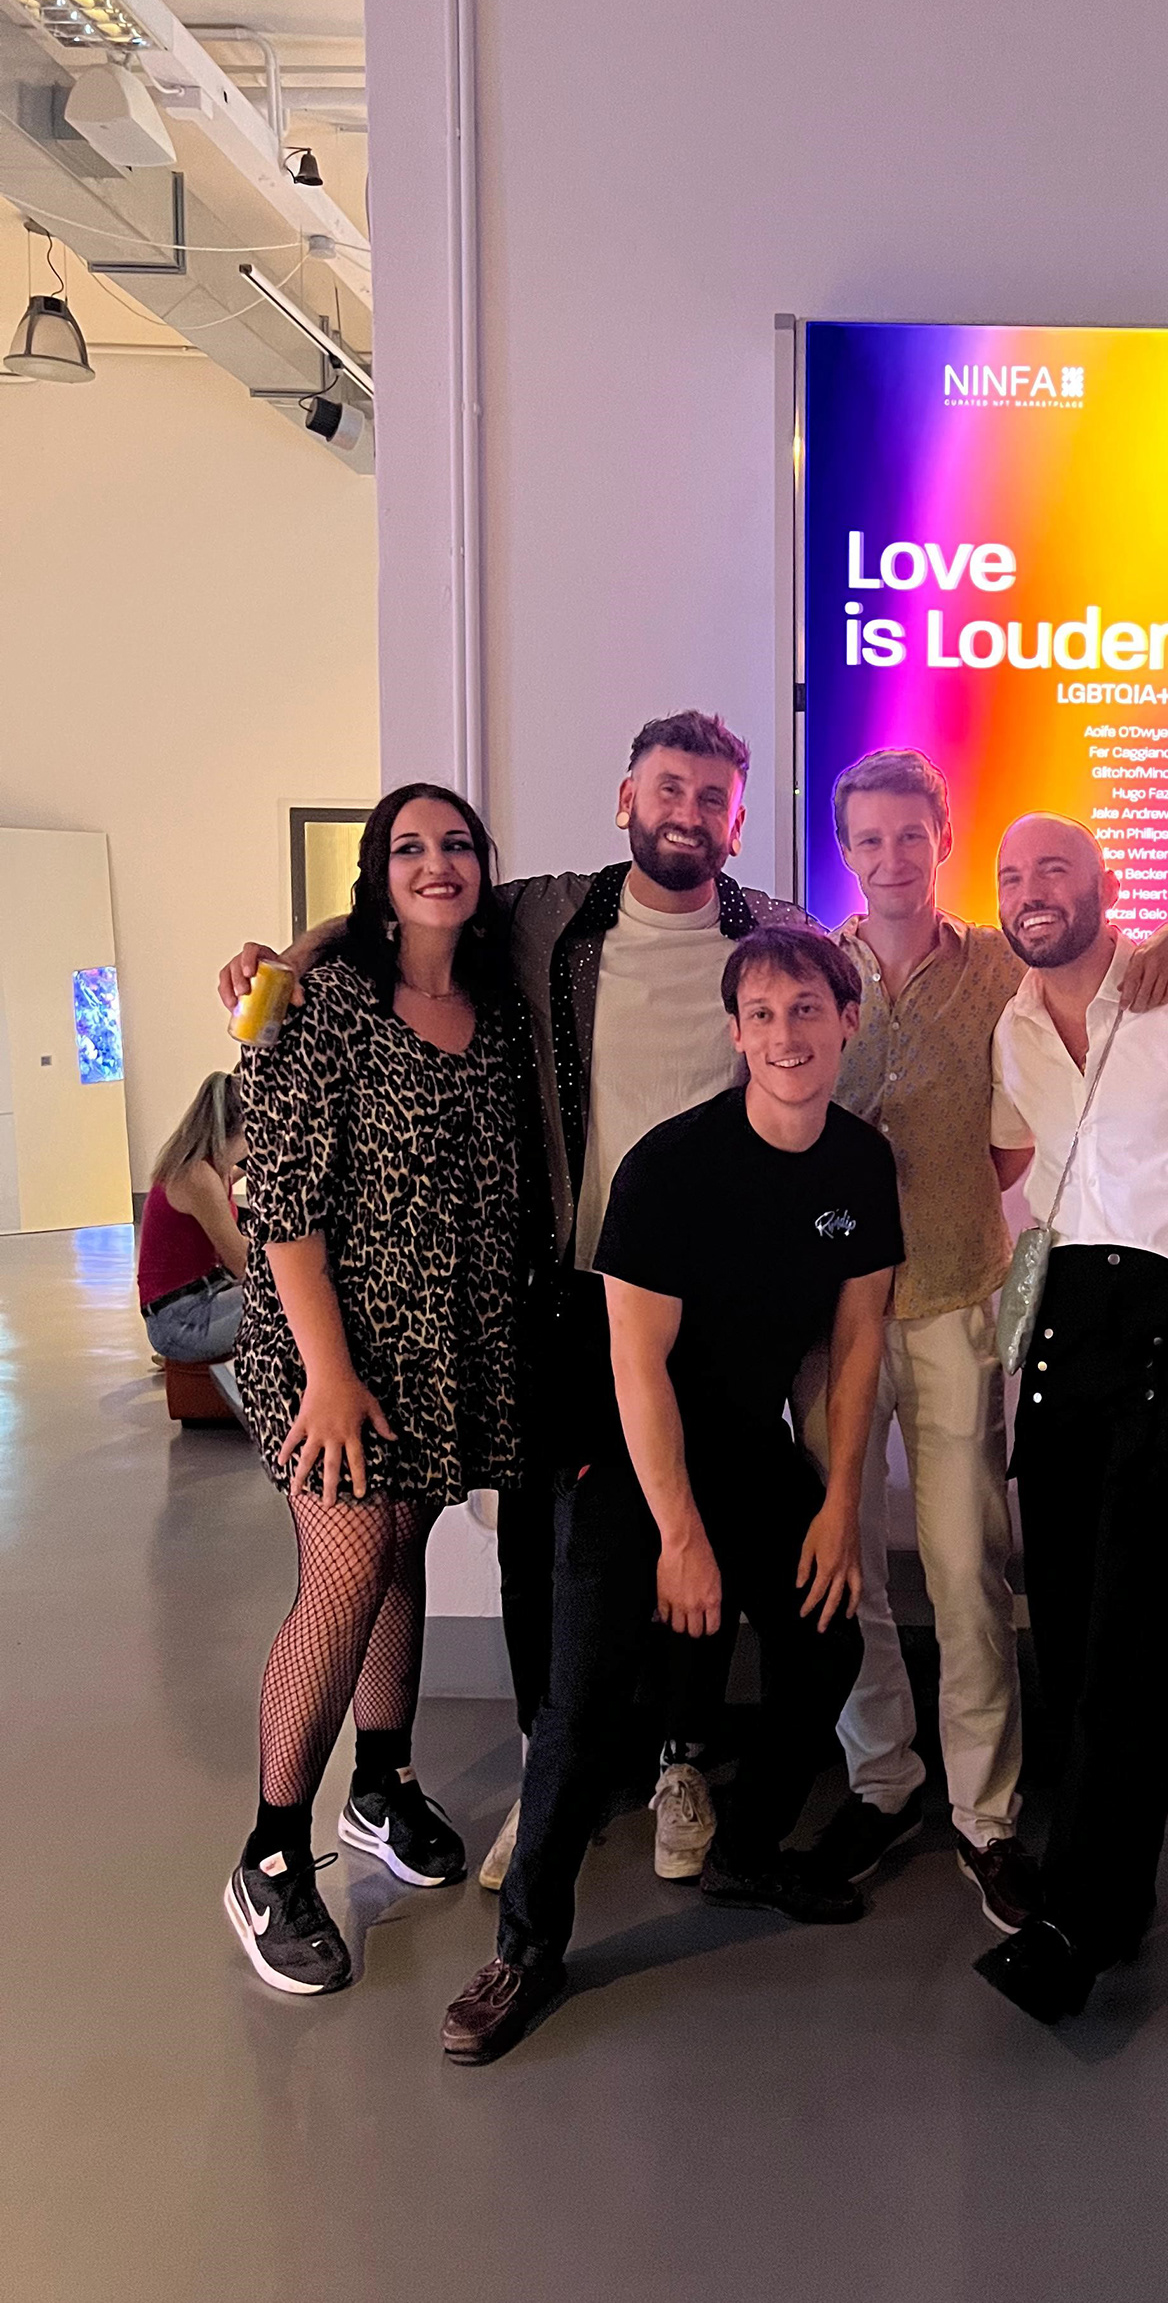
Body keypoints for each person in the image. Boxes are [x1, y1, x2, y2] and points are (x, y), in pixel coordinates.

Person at [218, 710, 812, 1892]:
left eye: (712, 797)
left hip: (701, 1309)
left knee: (690, 1525)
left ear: (739, 823)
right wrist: (284, 955)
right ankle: (543, 1769)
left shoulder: (774, 935)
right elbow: (405, 914)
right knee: (543, 1550)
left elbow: (854, 995)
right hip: (567, 1302)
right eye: (667, 788)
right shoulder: (553, 918)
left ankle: (678, 1762)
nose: (687, 812)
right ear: (626, 799)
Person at [439, 927, 903, 2065]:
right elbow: (634, 1368)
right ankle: (526, 1948)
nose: (786, 1035)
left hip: (743, 1443)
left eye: (808, 1010)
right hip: (623, 1450)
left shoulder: (859, 1162)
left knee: (828, 1642)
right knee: (585, 1698)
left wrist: (841, 1504)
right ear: (735, 1032)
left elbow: (857, 1345)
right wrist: (679, 1537)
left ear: (846, 1021)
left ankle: (745, 1852)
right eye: (763, 1014)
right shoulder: (671, 1167)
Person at [796, 751, 1168, 1927]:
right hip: (829, 1320)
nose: (889, 858)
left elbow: (1021, 1135)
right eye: (867, 839)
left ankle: (986, 1813)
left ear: (942, 839)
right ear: (845, 851)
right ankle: (882, 1780)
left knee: (969, 1565)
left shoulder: (997, 969)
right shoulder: (813, 972)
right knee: (845, 1563)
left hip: (956, 1300)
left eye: (909, 835)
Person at [224, 783, 542, 1997]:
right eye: (409, 848)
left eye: (456, 844)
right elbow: (284, 1210)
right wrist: (330, 1377)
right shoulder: (327, 1004)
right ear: (378, 872)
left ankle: (382, 1781)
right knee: (347, 1568)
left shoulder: (500, 1013)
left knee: (401, 1550)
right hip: (330, 1357)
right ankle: (268, 1854)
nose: (436, 863)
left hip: (442, 1352)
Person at [972, 815, 1168, 2023]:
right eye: (1012, 876)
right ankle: (1098, 1877)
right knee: (1070, 1624)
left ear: (1104, 884)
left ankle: (1080, 1916)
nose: (1032, 891)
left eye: (1055, 870)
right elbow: (1006, 1163)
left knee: (1135, 1625)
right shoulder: (1013, 1026)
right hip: (1064, 1327)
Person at [138, 1070, 248, 1416]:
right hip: (179, 1320)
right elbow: (242, 1265)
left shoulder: (207, 1167)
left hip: (196, 1300)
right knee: (288, 1302)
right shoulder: (197, 1178)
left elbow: (240, 1172)